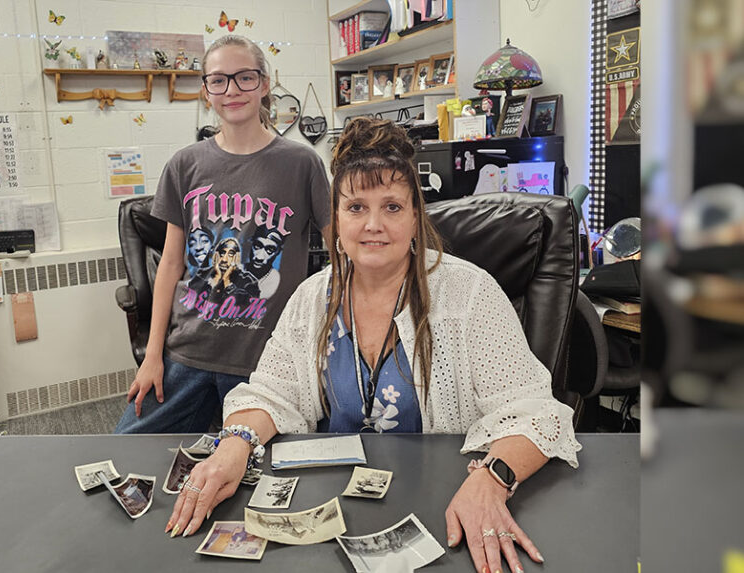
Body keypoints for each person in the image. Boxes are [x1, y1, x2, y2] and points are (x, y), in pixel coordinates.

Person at [166, 118, 580, 573]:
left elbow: (537, 412)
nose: (374, 226)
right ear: (336, 221)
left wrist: (493, 478)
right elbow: (270, 392)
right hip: (338, 512)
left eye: (392, 207)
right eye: (357, 208)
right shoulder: (312, 298)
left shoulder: (469, 294)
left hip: (444, 504)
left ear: (416, 216)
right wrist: (235, 445)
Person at [114, 35, 330, 434]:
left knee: (264, 476)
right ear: (205, 91)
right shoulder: (184, 165)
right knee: (123, 452)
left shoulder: (303, 164)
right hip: (188, 352)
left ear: (265, 84)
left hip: (267, 360)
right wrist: (153, 356)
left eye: (245, 77)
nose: (231, 90)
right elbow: (171, 264)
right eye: (218, 80)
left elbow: (341, 255)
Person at [246, 225, 284, 298]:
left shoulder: (274, 279)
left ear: (278, 252)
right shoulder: (238, 269)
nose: (259, 257)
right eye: (257, 246)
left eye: (269, 250)